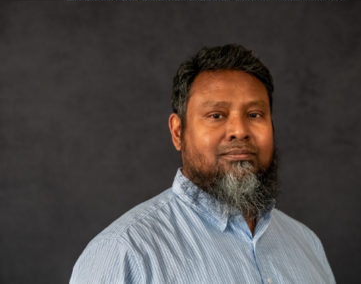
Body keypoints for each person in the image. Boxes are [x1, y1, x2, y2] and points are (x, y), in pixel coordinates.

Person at [70, 45, 336, 283]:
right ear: (178, 132)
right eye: (216, 115)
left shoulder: (307, 243)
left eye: (254, 114)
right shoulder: (125, 251)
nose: (239, 130)